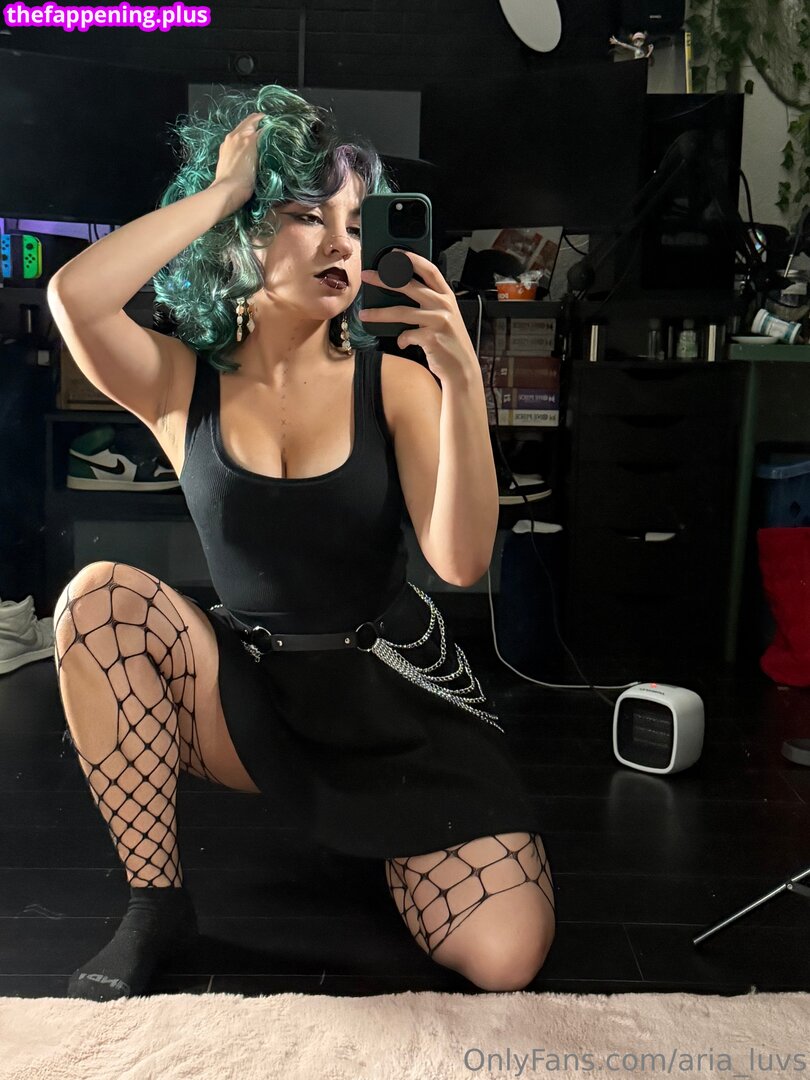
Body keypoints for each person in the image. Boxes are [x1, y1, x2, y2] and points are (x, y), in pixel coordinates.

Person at [47, 85, 556, 1001]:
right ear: (239, 235)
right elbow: (74, 298)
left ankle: (389, 841)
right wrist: (221, 191)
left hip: (388, 700)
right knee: (97, 602)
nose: (340, 245)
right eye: (305, 216)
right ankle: (156, 905)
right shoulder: (178, 384)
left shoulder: (394, 385)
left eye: (356, 224)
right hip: (250, 698)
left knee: (505, 957)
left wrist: (462, 382)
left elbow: (460, 563)